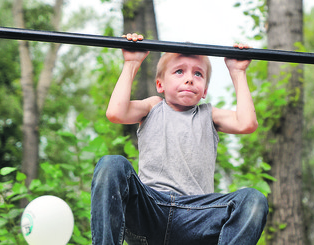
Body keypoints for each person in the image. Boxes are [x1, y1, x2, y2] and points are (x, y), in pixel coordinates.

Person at [91, 33, 268, 245]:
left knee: (253, 200)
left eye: (198, 74)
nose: (189, 78)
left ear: (204, 91)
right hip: (150, 210)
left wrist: (238, 72)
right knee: (112, 164)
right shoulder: (153, 106)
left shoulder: (208, 114)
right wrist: (131, 63)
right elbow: (116, 113)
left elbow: (246, 123)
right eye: (179, 71)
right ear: (160, 84)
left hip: (196, 216)